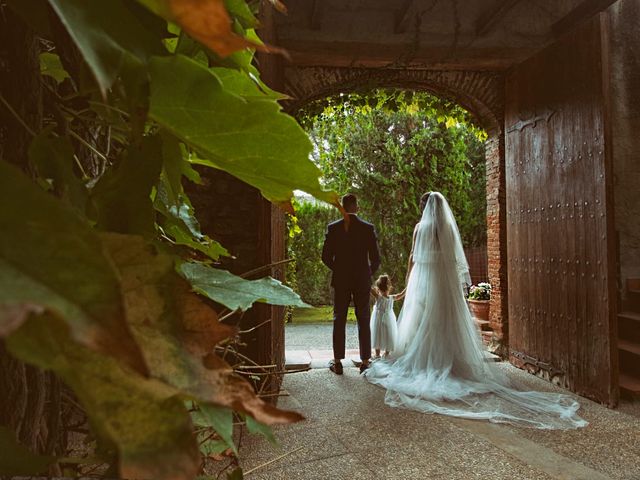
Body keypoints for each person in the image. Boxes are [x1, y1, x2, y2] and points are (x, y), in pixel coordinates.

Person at [365, 192, 587, 429]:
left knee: (420, 318)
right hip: (442, 280)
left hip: (423, 278)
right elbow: (453, 258)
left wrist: (410, 280)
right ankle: (452, 360)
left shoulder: (420, 228)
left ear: (425, 207)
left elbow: (412, 256)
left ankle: (424, 360)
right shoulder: (449, 227)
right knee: (446, 317)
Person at [322, 193, 381, 374]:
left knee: (339, 318)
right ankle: (365, 361)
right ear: (356, 207)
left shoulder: (334, 228)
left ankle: (338, 362)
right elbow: (376, 259)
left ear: (343, 207)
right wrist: (366, 274)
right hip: (361, 280)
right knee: (363, 318)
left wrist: (338, 269)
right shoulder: (367, 228)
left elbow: (325, 257)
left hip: (341, 279)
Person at [370, 275, 404, 359]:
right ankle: (387, 353)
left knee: (377, 333)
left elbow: (369, 289)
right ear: (389, 287)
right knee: (389, 333)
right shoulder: (392, 298)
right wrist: (408, 287)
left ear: (378, 288)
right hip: (389, 319)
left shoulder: (378, 297)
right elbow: (401, 295)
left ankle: (377, 354)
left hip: (377, 318)